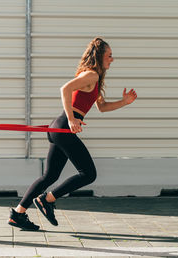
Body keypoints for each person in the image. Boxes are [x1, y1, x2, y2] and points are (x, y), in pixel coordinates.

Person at [8, 37, 137, 230]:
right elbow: (65, 88)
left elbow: (101, 107)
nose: (112, 59)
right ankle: (47, 199)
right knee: (88, 174)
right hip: (63, 127)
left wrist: (124, 102)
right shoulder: (91, 75)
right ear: (99, 56)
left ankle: (18, 214)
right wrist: (71, 118)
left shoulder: (95, 78)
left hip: (59, 128)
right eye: (109, 56)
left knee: (49, 177)